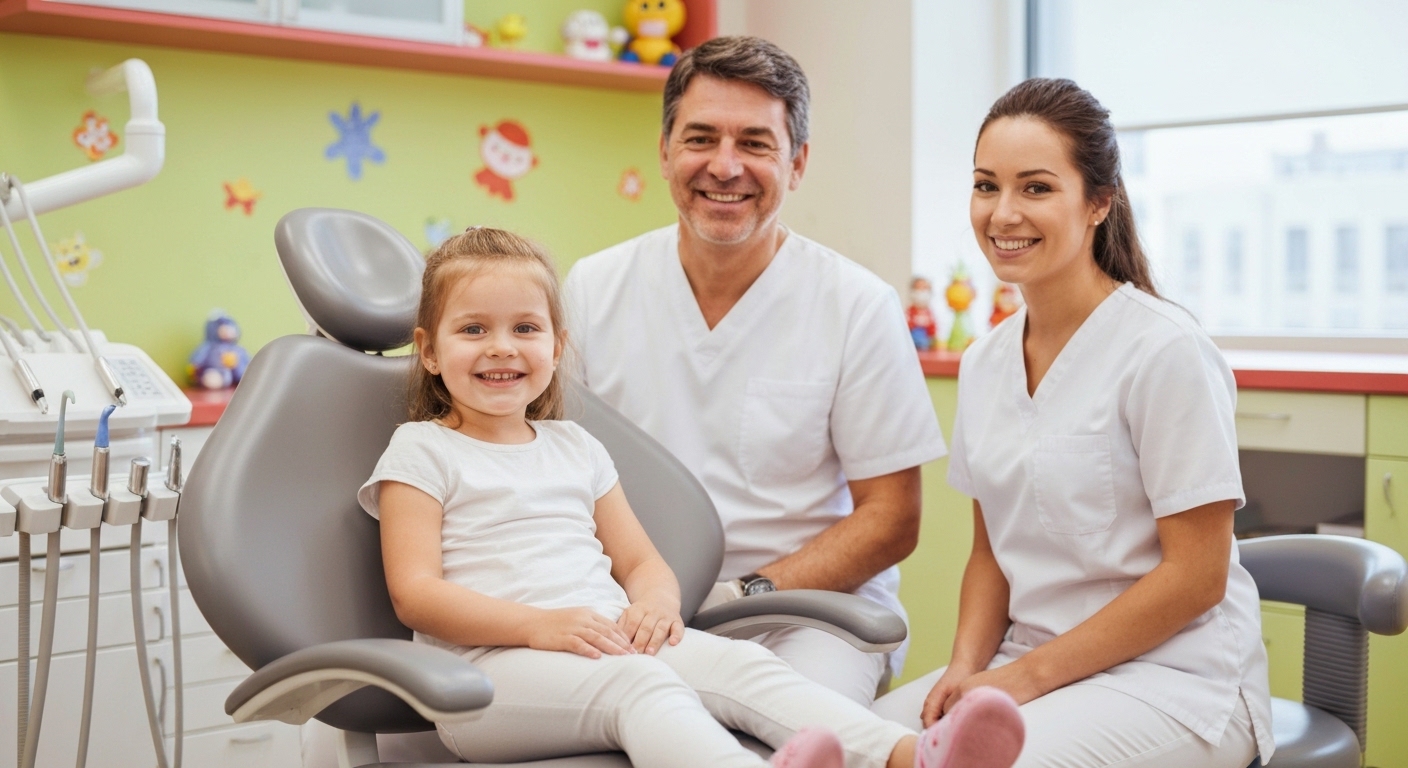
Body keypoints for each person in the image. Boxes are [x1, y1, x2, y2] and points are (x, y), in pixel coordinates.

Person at [359, 227, 1026, 768]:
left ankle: (912, 756)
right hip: (484, 677)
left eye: (525, 329)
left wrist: (654, 603)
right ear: (429, 351)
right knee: (642, 686)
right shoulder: (422, 451)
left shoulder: (576, 447)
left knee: (743, 666)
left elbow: (639, 561)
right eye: (474, 330)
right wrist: (538, 625)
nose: (502, 348)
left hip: (602, 645)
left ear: (558, 347)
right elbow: (415, 594)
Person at [870, 79, 1274, 768]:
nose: (1002, 213)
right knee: (859, 740)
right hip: (1031, 662)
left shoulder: (1164, 349)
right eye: (986, 185)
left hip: (1175, 678)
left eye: (1035, 188)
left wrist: (1024, 679)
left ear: (1099, 202)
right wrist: (965, 667)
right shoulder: (985, 363)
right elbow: (991, 554)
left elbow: (1197, 576)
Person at [564, 35, 946, 706]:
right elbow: (553, 472)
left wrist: (745, 593)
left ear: (797, 163)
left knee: (790, 727)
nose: (725, 165)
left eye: (755, 143)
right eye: (701, 138)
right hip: (639, 602)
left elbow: (892, 518)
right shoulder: (594, 289)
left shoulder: (856, 305)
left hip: (809, 614)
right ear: (665, 152)